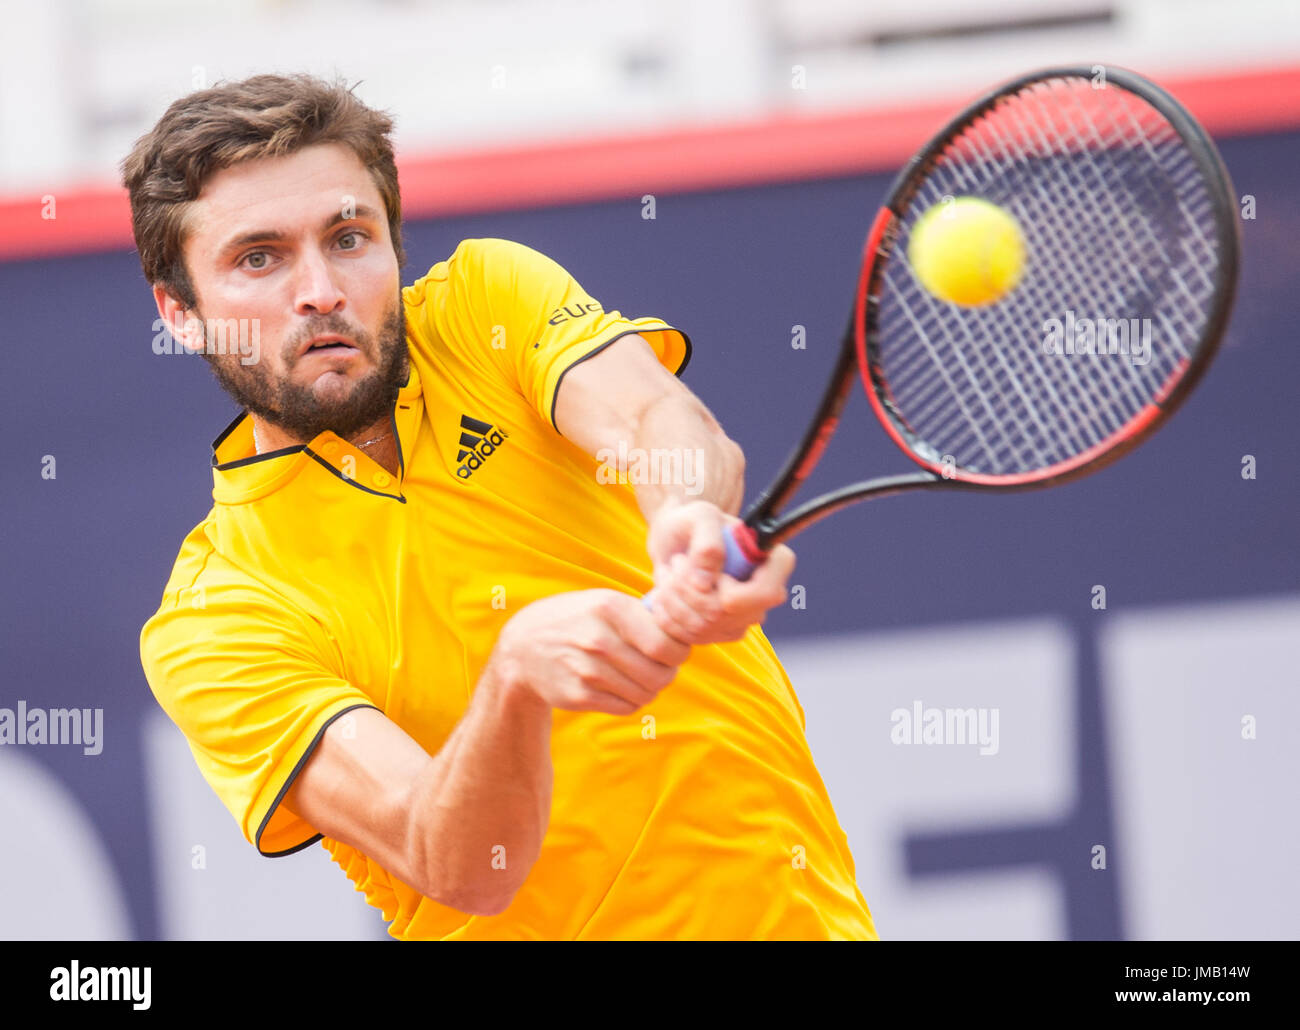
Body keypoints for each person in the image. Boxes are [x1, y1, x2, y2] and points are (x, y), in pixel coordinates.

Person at [130, 73, 878, 940]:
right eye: (258, 258)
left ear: (394, 247)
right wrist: (515, 681)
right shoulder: (216, 619)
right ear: (180, 314)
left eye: (348, 237)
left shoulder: (484, 303)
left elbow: (654, 419)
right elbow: (450, 860)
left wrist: (686, 519)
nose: (321, 290)